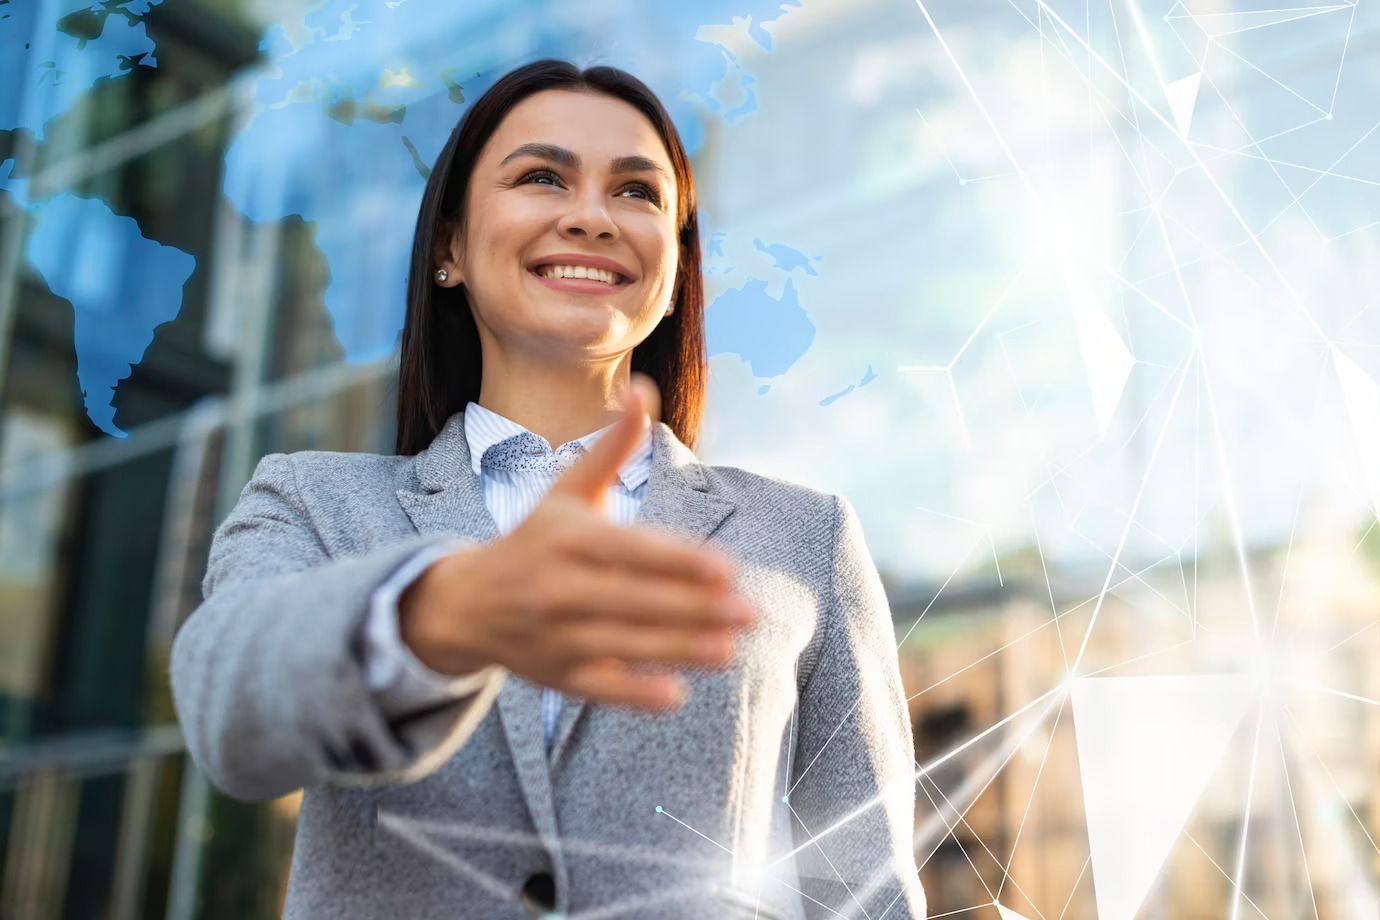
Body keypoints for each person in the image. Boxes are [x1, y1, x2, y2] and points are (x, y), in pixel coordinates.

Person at [169, 58, 926, 920]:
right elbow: (225, 712)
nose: (592, 217)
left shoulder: (807, 539)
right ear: (449, 247)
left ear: (676, 272)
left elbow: (866, 889)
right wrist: (435, 615)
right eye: (541, 177)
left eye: (637, 193)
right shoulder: (312, 501)